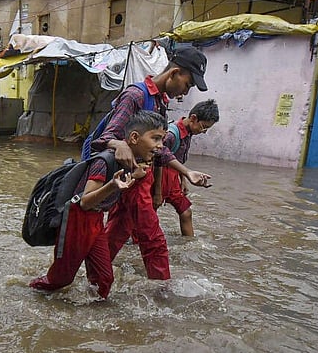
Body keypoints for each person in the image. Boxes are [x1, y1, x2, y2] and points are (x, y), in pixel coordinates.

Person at [86, 46, 214, 282]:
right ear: (175, 73)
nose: (186, 91)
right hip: (129, 179)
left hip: (137, 180)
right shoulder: (135, 95)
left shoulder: (159, 103)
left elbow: (161, 150)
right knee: (153, 240)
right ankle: (162, 289)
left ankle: (94, 279)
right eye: (187, 84)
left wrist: (187, 173)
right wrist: (118, 144)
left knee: (116, 234)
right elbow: (104, 138)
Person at [30, 110, 166, 298]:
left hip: (95, 220)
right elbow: (85, 202)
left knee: (104, 279)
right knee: (61, 279)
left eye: (162, 140)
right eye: (156, 139)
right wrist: (112, 186)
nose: (160, 146)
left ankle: (93, 313)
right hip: (77, 221)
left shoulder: (130, 163)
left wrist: (133, 177)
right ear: (134, 138)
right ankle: (30, 291)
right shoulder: (104, 161)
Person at [152, 99, 220, 237]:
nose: (204, 132)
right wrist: (157, 192)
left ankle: (189, 244)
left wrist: (183, 180)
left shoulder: (188, 133)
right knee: (150, 214)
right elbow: (158, 160)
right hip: (159, 177)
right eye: (203, 127)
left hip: (174, 177)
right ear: (193, 118)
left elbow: (179, 159)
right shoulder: (171, 135)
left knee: (186, 211)